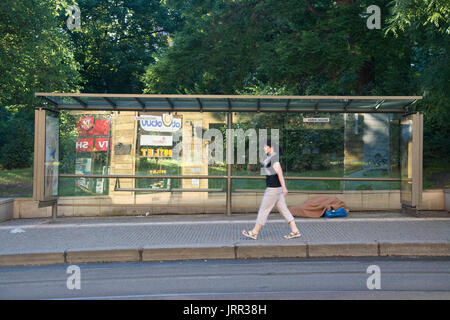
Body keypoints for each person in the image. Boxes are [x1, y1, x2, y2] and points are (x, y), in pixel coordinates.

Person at [242, 139, 301, 240]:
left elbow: (280, 174)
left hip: (273, 189)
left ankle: (254, 232)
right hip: (275, 189)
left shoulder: (275, 159)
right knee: (284, 210)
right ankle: (295, 231)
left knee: (263, 210)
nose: (264, 148)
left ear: (271, 147)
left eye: (265, 146)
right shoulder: (271, 158)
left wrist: (284, 187)